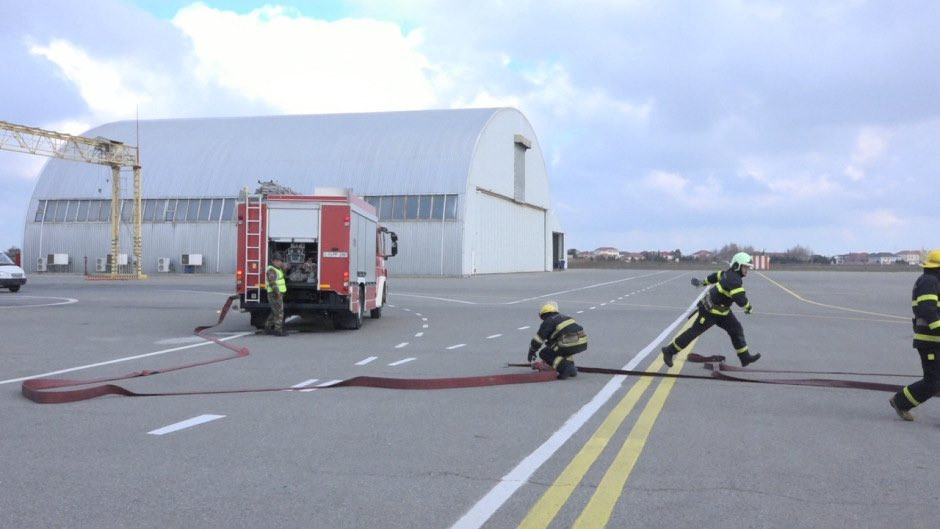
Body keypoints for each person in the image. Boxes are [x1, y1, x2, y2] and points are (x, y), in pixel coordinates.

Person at [661, 251, 761, 368]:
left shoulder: (728, 273)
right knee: (693, 332)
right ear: (737, 266)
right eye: (745, 267)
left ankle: (745, 358)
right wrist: (748, 308)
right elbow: (740, 300)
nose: (747, 270)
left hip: (723, 312)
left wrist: (702, 282)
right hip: (709, 312)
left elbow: (716, 276)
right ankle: (669, 351)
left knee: (736, 329)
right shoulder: (734, 280)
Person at [889, 249, 940, 421]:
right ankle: (901, 401)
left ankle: (901, 401)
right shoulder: (929, 282)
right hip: (930, 341)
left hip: (934, 340)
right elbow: (927, 309)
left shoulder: (933, 281)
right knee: (933, 382)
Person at [527, 301, 588, 380]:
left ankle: (565, 368)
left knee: (545, 353)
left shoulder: (548, 321)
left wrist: (532, 351)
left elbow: (538, 339)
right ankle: (571, 369)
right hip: (582, 342)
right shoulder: (566, 317)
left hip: (569, 342)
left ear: (544, 315)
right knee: (562, 349)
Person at [264, 252, 288, 336]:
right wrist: (278, 294)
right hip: (274, 294)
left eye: (280, 261)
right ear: (272, 261)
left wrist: (284, 267)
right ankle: (278, 330)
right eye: (277, 261)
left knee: (275, 311)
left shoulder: (278, 269)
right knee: (279, 312)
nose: (279, 262)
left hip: (278, 293)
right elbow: (272, 283)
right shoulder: (271, 270)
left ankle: (267, 327)